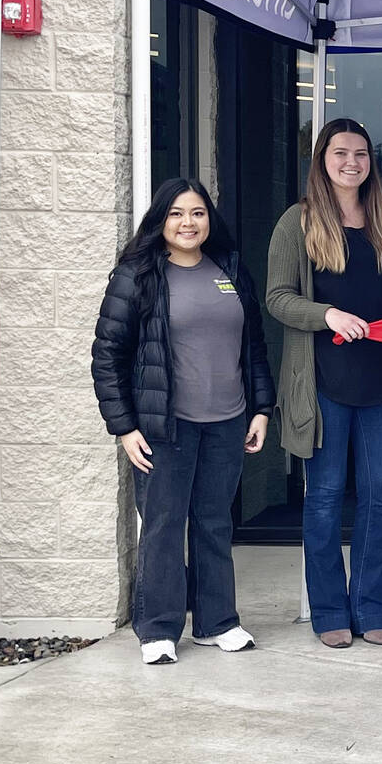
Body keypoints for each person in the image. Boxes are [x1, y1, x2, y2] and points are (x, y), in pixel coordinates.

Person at [268, 119, 382, 649]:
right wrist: (327, 315)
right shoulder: (297, 221)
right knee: (324, 500)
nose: (352, 163)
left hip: (380, 383)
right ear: (321, 160)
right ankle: (329, 613)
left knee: (378, 499)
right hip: (323, 383)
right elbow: (277, 297)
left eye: (361, 154)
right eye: (340, 153)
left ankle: (371, 610)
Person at [92, 178, 275, 665]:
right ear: (161, 220)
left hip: (228, 421)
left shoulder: (228, 268)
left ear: (209, 219)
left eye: (197, 213)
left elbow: (254, 346)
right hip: (164, 426)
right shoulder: (137, 275)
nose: (187, 223)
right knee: (163, 526)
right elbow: (107, 355)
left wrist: (261, 409)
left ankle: (218, 623)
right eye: (176, 213)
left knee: (214, 523)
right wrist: (124, 427)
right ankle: (158, 629)